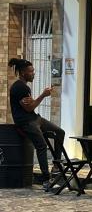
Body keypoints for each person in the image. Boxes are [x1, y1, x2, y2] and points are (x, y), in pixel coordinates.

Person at [8, 58, 66, 189]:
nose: (34, 73)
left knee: (59, 132)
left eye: (33, 70)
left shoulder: (24, 87)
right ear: (23, 73)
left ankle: (56, 165)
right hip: (26, 122)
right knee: (41, 146)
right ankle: (46, 180)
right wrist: (43, 95)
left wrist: (35, 100)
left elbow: (30, 105)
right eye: (31, 71)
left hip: (35, 118)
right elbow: (29, 108)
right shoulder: (20, 88)